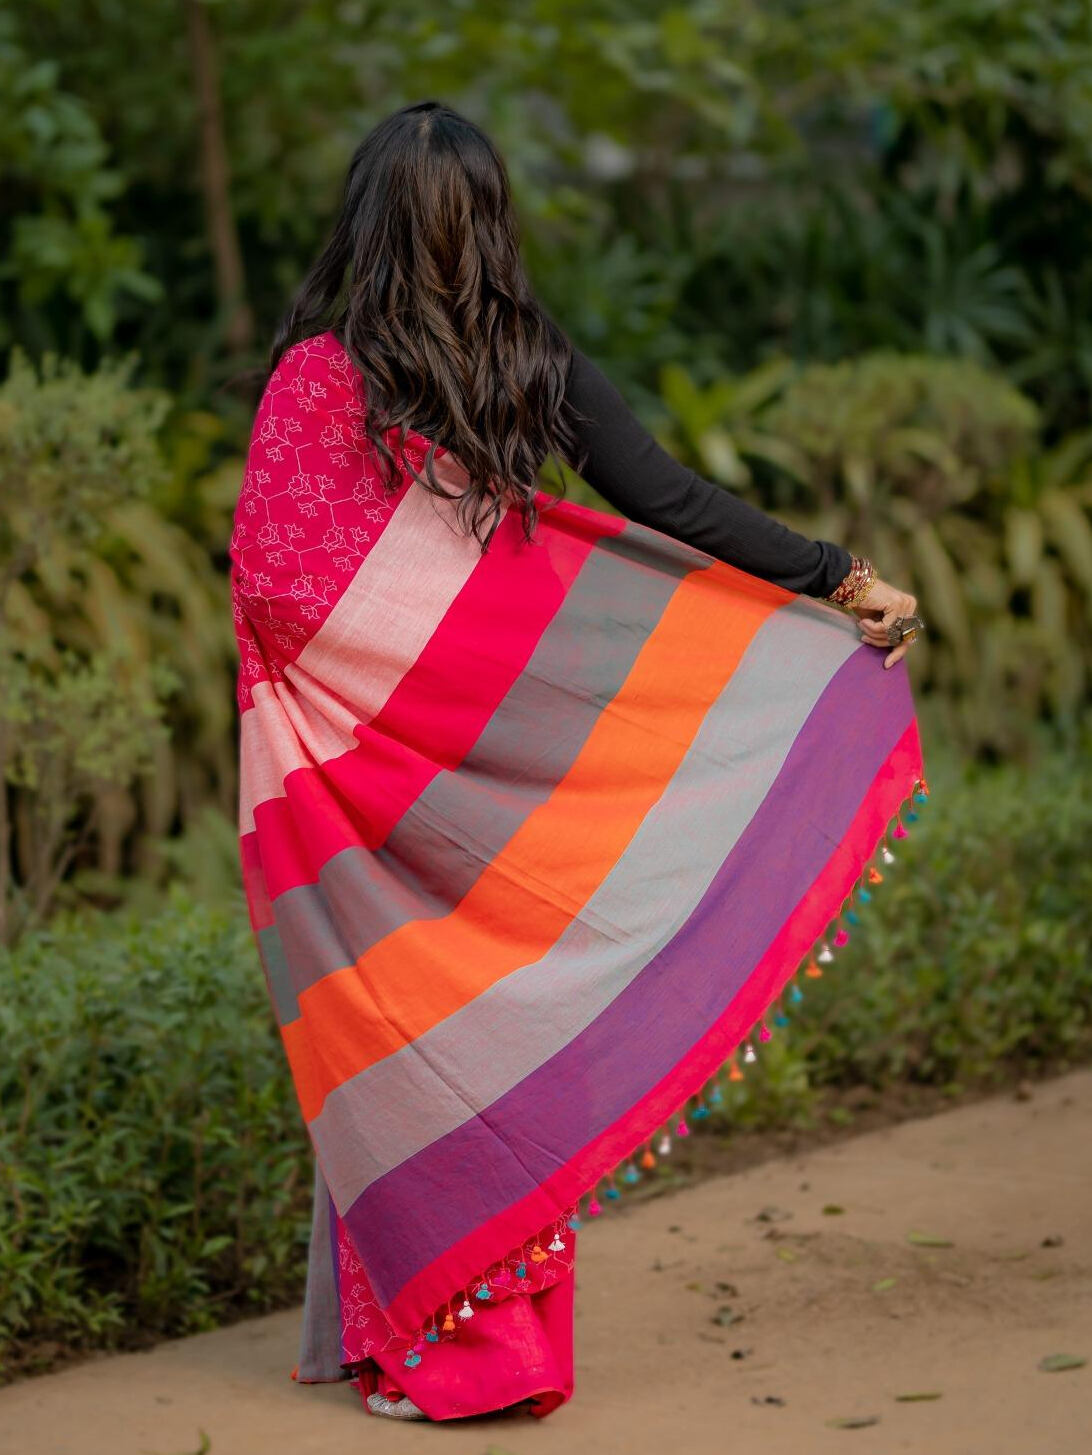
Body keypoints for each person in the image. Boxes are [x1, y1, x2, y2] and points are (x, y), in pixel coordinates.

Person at [229, 100, 925, 1424]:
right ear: (488, 223)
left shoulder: (316, 379)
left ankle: (430, 1352)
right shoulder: (527, 361)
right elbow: (669, 503)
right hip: (512, 775)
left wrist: (371, 697)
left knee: (394, 1034)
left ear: (364, 224)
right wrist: (840, 577)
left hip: (366, 786)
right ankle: (502, 1351)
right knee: (507, 1031)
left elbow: (275, 585)